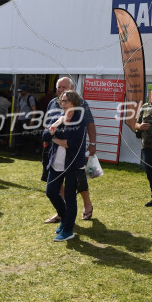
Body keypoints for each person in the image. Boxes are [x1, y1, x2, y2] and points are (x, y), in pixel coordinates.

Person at [42, 77, 96, 223]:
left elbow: (90, 124)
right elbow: (47, 125)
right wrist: (47, 142)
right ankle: (62, 212)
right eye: (59, 87)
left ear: (72, 88)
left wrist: (92, 143)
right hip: (54, 150)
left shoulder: (81, 103)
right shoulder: (52, 103)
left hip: (73, 151)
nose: (61, 90)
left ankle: (87, 205)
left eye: (64, 87)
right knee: (56, 182)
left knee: (79, 180)